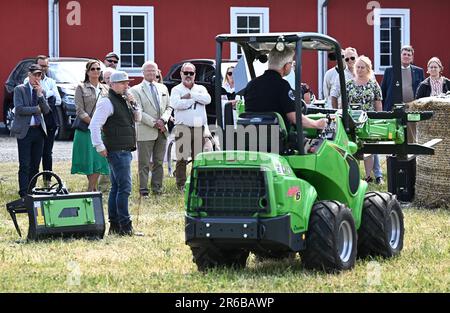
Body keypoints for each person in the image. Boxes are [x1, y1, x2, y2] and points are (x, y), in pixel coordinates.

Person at [89, 71, 142, 235]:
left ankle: (115, 226)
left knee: (116, 188)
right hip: (117, 150)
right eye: (123, 83)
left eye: (127, 83)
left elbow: (137, 118)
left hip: (123, 149)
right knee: (124, 188)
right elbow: (94, 125)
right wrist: (99, 146)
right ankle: (125, 227)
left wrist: (134, 103)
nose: (127, 86)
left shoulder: (124, 100)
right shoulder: (107, 102)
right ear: (112, 85)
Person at [244, 45, 327, 130]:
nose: (291, 66)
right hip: (275, 139)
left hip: (250, 137)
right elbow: (294, 118)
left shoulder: (251, 85)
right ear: (286, 66)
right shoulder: (282, 85)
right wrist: (317, 124)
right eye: (291, 63)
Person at [130, 61, 172, 197]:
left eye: (153, 71)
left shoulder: (163, 88)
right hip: (146, 130)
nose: (151, 73)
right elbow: (138, 111)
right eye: (148, 71)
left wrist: (163, 120)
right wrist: (155, 123)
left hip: (162, 130)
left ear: (157, 72)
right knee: (144, 163)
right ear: (143, 73)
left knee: (159, 162)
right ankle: (143, 190)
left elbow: (169, 107)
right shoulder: (135, 90)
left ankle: (157, 189)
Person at [10, 64, 50, 197]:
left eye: (39, 75)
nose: (37, 78)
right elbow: (19, 109)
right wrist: (35, 110)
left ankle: (31, 190)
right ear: (29, 75)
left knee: (35, 164)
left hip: (38, 131)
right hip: (25, 131)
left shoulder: (41, 91)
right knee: (25, 164)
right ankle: (23, 192)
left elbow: (46, 110)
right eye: (35, 75)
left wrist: (40, 96)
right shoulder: (19, 89)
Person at [170, 62, 211, 191]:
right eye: (186, 73)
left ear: (194, 75)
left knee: (198, 158)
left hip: (199, 128)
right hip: (183, 127)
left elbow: (207, 99)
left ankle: (197, 184)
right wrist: (193, 100)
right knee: (181, 158)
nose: (188, 75)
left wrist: (191, 96)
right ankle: (181, 185)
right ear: (181, 74)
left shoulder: (201, 88)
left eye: (191, 73)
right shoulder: (176, 89)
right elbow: (176, 104)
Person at [71, 60, 109, 191]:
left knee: (98, 159)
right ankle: (92, 188)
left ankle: (91, 189)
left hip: (102, 129)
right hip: (85, 129)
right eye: (93, 69)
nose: (96, 71)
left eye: (98, 69)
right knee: (88, 160)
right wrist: (94, 124)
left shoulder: (106, 88)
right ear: (87, 72)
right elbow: (79, 110)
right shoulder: (81, 87)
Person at [24, 55, 61, 187]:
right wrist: (47, 95)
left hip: (49, 121)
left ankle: (47, 181)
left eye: (45, 66)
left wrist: (43, 93)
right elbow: (27, 99)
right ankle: (29, 183)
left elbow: (58, 100)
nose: (43, 69)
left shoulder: (51, 81)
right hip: (35, 121)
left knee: (47, 153)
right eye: (41, 66)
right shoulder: (27, 81)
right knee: (33, 155)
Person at [346, 56, 383, 184]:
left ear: (368, 69)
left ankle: (368, 176)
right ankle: (353, 176)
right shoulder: (349, 84)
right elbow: (344, 103)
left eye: (362, 67)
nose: (360, 69)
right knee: (353, 148)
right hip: (353, 121)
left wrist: (379, 119)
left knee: (369, 148)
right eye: (358, 67)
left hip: (369, 120)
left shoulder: (373, 84)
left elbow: (378, 103)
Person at [381, 45, 424, 143]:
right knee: (393, 132)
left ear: (412, 58)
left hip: (411, 108)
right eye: (404, 54)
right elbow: (383, 90)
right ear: (400, 56)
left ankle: (411, 155)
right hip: (393, 107)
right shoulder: (390, 71)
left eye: (409, 55)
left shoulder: (418, 71)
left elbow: (422, 91)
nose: (406, 56)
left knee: (411, 134)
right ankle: (393, 156)